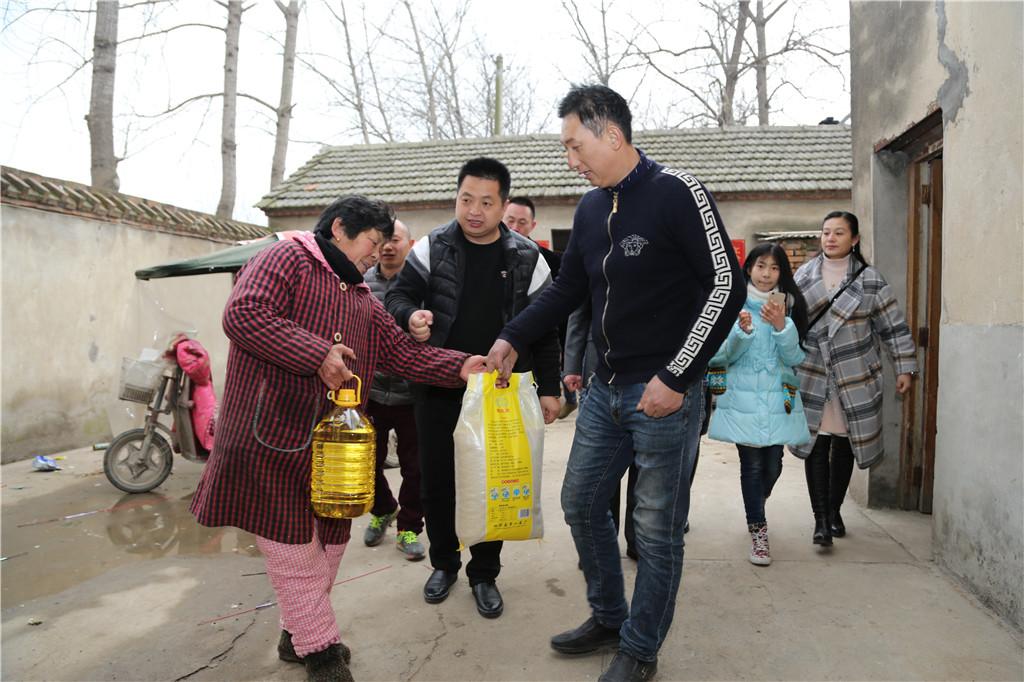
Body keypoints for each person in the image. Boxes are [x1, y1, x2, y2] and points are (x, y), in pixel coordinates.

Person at [485, 85, 745, 682]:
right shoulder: (589, 209)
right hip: (605, 389)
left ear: (612, 134)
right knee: (580, 502)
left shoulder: (677, 192)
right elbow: (566, 289)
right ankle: (608, 615)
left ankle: (640, 647)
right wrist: (512, 337)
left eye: (575, 145)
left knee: (655, 530)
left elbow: (725, 285)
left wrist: (678, 375)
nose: (569, 159)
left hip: (664, 395)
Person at [189, 196, 486, 682]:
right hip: (269, 438)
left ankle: (296, 634)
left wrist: (460, 366)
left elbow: (403, 355)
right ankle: (323, 655)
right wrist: (317, 353)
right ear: (342, 228)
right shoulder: (285, 257)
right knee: (293, 550)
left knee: (330, 541)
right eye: (374, 242)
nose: (379, 252)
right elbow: (243, 313)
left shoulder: (360, 297)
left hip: (332, 448)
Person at [386, 157, 562, 620]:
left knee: (495, 481)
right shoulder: (430, 248)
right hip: (440, 384)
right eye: (467, 199)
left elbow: (545, 330)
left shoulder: (529, 258)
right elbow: (397, 297)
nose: (475, 210)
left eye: (487, 202)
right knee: (436, 481)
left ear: (504, 205)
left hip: (499, 392)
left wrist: (548, 388)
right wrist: (412, 317)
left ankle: (485, 573)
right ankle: (444, 563)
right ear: (456, 197)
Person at [791, 210, 917, 545]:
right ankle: (820, 521)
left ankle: (833, 511)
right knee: (815, 443)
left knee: (844, 444)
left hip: (855, 372)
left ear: (855, 239)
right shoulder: (804, 275)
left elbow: (892, 326)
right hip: (814, 371)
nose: (830, 238)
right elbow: (788, 322)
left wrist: (904, 366)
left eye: (839, 233)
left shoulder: (870, 279)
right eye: (826, 232)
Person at [706, 243, 811, 566]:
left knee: (774, 464)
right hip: (741, 399)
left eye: (775, 268)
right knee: (751, 466)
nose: (767, 274)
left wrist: (782, 327)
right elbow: (719, 357)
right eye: (761, 266)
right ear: (749, 267)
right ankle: (758, 531)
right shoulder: (730, 303)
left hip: (778, 398)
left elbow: (795, 358)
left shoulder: (789, 305)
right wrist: (742, 333)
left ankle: (757, 502)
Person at [361, 219, 426, 560]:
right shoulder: (361, 282)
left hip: (411, 392)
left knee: (414, 467)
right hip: (370, 390)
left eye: (395, 239)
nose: (387, 246)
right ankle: (383, 507)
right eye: (382, 240)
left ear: (409, 243)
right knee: (365, 460)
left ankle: (410, 527)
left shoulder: (420, 284)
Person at [503, 196, 578, 419]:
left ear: (533, 225)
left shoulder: (548, 261)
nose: (515, 227)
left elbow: (559, 311)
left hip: (534, 352)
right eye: (510, 220)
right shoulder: (487, 254)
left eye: (522, 222)